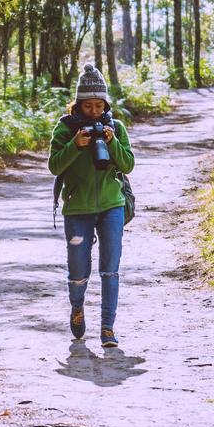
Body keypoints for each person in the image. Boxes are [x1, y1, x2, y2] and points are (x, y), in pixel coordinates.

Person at [47, 63, 135, 348]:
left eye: (99, 105)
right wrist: (75, 144)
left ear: (106, 104)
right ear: (78, 104)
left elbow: (128, 164)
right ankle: (77, 307)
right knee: (78, 270)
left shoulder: (115, 128)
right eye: (88, 106)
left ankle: (108, 328)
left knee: (110, 268)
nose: (94, 112)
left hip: (112, 206)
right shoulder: (65, 128)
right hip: (77, 209)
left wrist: (111, 143)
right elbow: (54, 166)